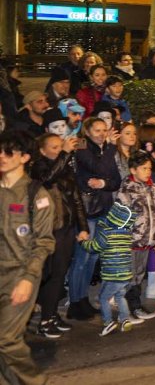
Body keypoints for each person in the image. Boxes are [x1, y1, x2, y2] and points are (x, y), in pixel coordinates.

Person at [0, 131, 55, 385]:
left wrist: (29, 278)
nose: (2, 156)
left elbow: (44, 242)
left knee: (6, 339)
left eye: (9, 152)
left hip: (19, 276)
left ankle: (34, 381)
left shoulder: (37, 195)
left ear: (24, 157)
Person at [31, 133, 86, 338]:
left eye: (59, 147)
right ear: (43, 150)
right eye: (53, 147)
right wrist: (64, 153)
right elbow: (46, 179)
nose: (58, 150)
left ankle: (51, 314)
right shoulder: (39, 167)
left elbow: (76, 198)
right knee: (50, 274)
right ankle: (44, 320)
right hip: (48, 229)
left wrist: (83, 226)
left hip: (66, 228)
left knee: (60, 273)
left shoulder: (65, 167)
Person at [69, 117, 121, 320]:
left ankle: (83, 300)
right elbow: (99, 168)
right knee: (82, 258)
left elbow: (115, 180)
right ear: (88, 132)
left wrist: (103, 183)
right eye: (97, 130)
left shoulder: (105, 150)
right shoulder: (82, 147)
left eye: (104, 129)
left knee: (93, 257)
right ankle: (75, 302)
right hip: (88, 210)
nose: (102, 133)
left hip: (103, 209)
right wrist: (110, 149)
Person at [78, 202, 139, 336]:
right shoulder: (127, 234)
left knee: (103, 298)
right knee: (120, 296)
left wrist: (82, 242)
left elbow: (94, 247)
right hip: (125, 275)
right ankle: (125, 319)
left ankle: (108, 322)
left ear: (112, 218)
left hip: (112, 275)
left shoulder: (106, 234)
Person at [116, 151, 155, 321]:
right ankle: (126, 311)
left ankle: (135, 307)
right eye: (144, 168)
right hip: (130, 241)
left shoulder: (154, 189)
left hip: (146, 240)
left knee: (139, 275)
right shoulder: (127, 189)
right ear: (133, 170)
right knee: (128, 275)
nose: (148, 171)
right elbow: (120, 217)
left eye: (149, 168)